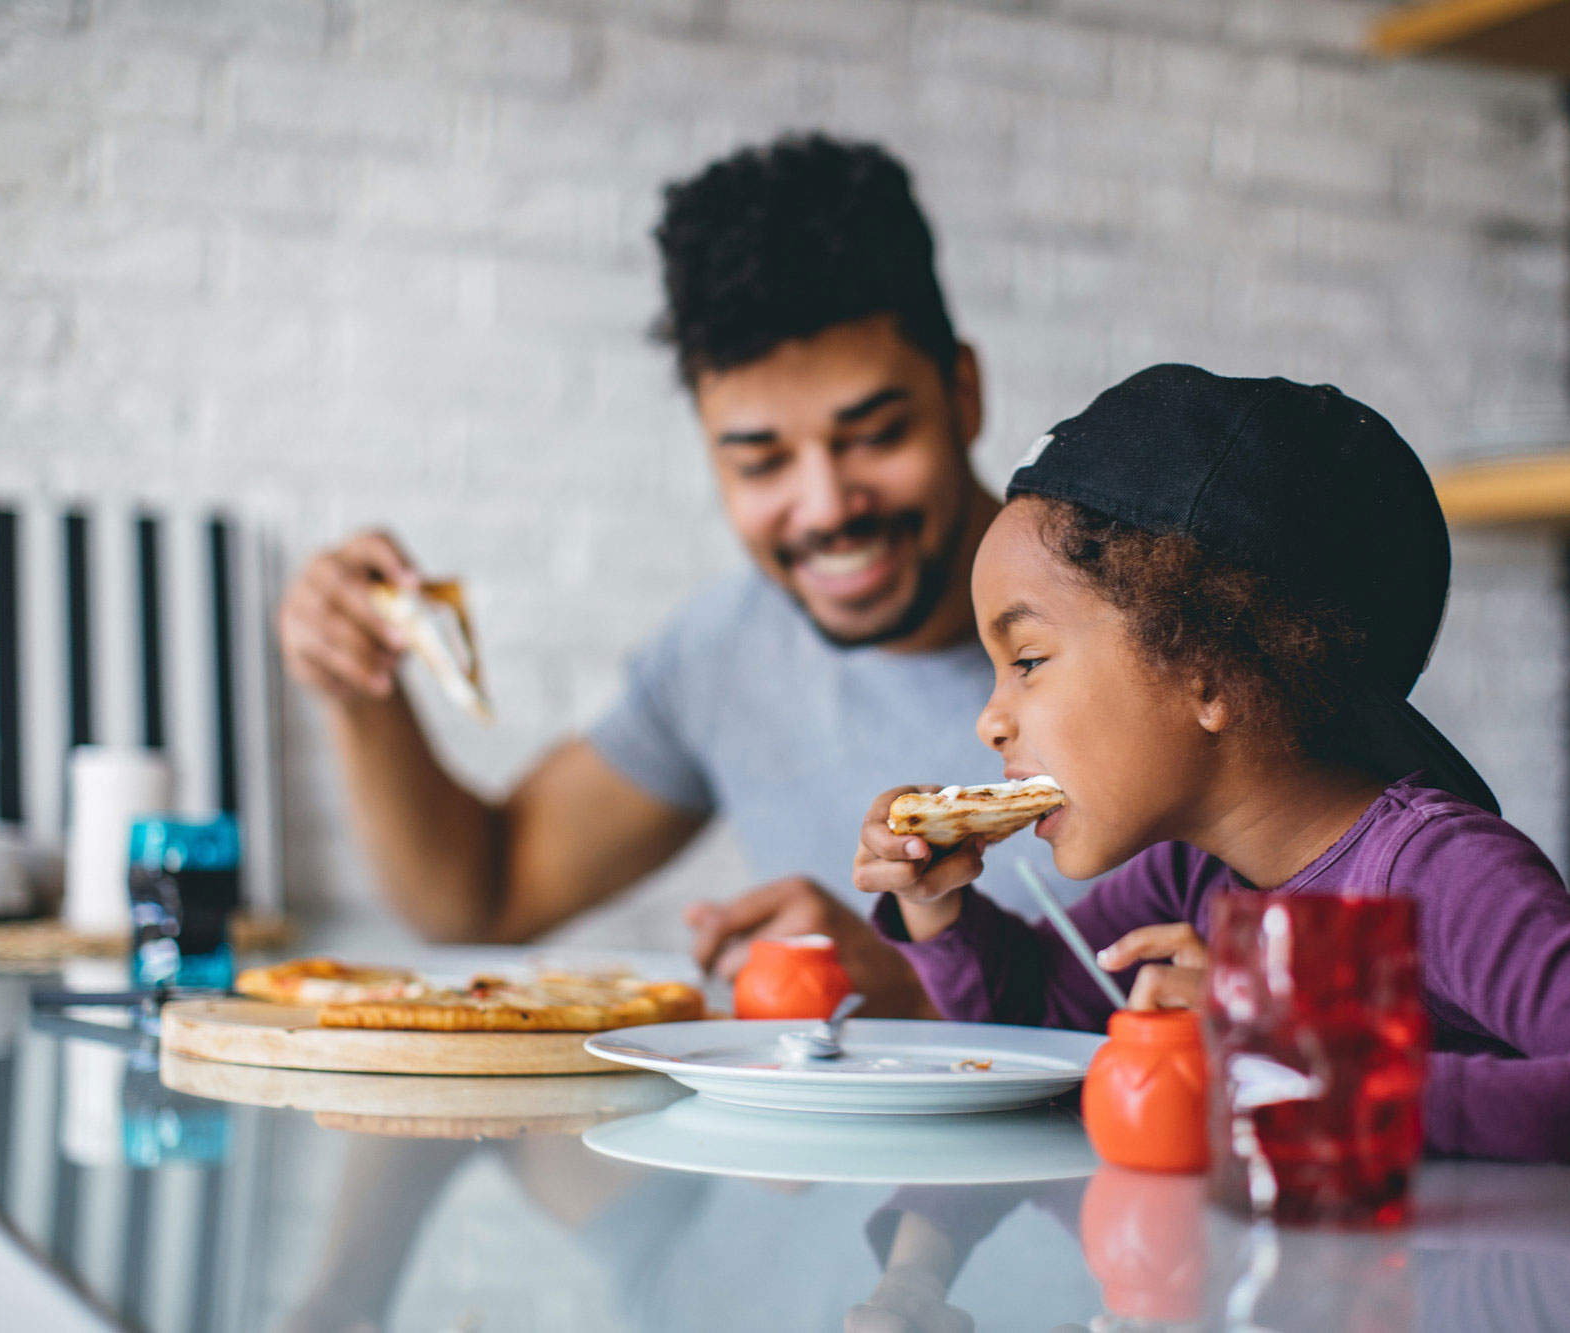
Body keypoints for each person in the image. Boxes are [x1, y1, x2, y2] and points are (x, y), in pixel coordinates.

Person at [854, 364, 1570, 1196]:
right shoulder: (1199, 875)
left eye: (1025, 659)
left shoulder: (1435, 875)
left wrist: (1305, 1053)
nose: (989, 719)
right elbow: (1040, 1017)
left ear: (1204, 665)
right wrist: (941, 911)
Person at [276, 133, 1080, 1014]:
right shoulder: (727, 651)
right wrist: (360, 692)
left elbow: (1238, 992)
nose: (824, 506)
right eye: (760, 461)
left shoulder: (1145, 629)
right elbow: (482, 895)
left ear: (963, 392)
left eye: (876, 435)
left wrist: (923, 989)